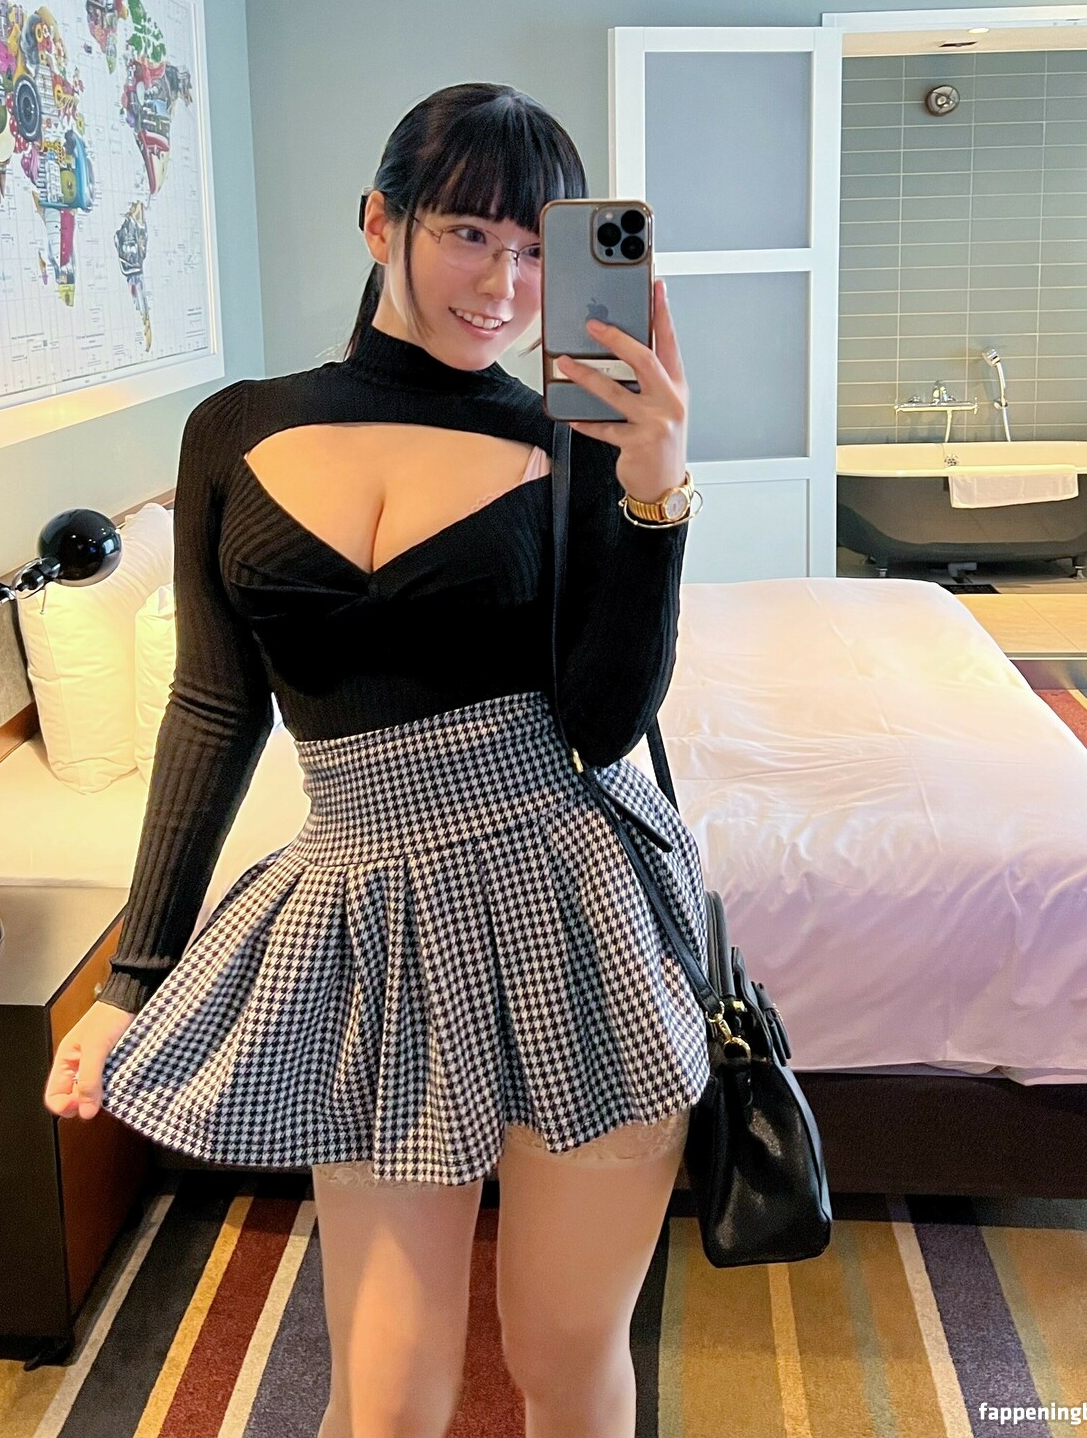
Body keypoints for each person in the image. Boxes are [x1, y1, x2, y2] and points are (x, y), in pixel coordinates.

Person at [44, 82, 709, 1438]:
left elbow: (604, 719)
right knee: (388, 1388)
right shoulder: (233, 428)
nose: (505, 286)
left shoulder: (569, 432)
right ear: (378, 222)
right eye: (468, 234)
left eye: (535, 250)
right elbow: (212, 708)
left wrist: (653, 493)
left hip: (570, 894)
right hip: (369, 918)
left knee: (562, 1350)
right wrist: (131, 978)